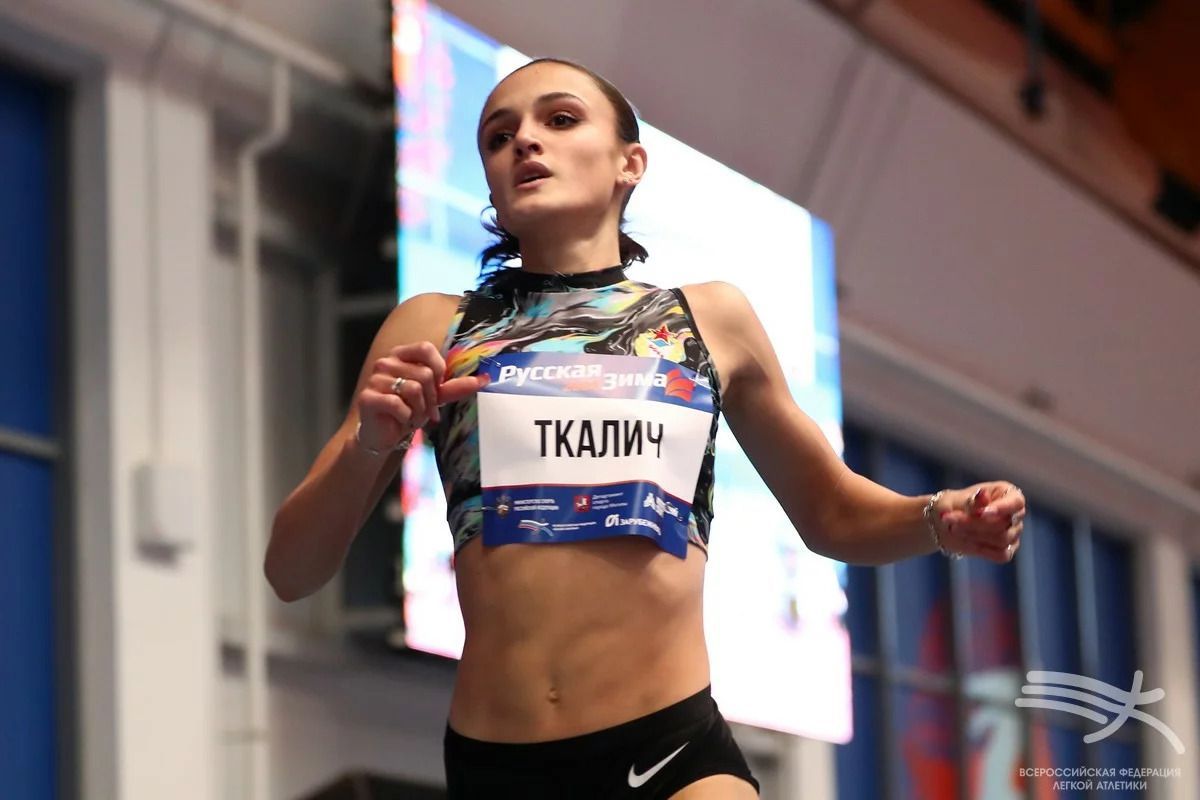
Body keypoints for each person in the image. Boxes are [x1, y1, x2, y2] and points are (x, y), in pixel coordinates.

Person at [265, 58, 1027, 799]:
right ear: (491, 185)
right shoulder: (435, 327)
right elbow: (291, 572)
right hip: (497, 762)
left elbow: (830, 511)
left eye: (560, 119)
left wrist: (939, 517)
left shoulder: (708, 320)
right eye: (499, 136)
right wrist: (370, 443)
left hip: (669, 749)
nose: (525, 141)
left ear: (630, 164)